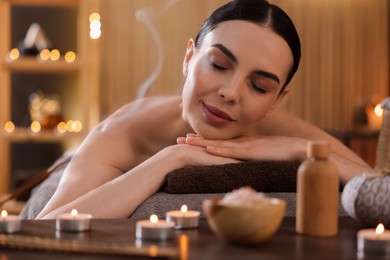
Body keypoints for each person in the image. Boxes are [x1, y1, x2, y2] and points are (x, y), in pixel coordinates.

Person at [36, 0, 371, 219]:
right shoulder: (127, 129)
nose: (230, 93)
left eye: (260, 86)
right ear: (188, 58)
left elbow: (378, 187)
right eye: (219, 64)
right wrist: (172, 158)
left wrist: (298, 150)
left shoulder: (289, 133)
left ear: (277, 100)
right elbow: (48, 227)